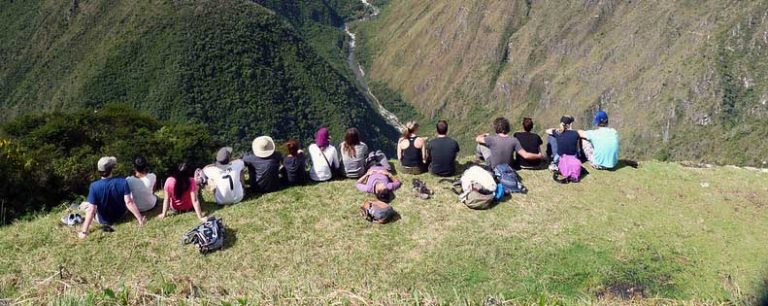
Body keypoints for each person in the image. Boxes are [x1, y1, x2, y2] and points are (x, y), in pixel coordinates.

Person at [78, 156, 145, 239]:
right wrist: (140, 219)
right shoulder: (123, 181)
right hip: (121, 216)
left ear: (99, 171)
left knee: (86, 205)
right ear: (111, 169)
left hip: (103, 220)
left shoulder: (94, 186)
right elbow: (129, 202)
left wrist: (84, 231)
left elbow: (92, 210)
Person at [475, 117, 543, 169]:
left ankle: (479, 159)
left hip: (494, 166)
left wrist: (485, 134)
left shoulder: (491, 138)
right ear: (508, 128)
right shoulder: (514, 140)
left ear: (496, 128)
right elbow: (525, 155)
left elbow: (477, 139)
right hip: (509, 167)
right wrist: (538, 156)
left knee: (480, 144)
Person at [546, 116, 582, 182]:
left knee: (551, 136)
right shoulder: (575, 133)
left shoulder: (558, 132)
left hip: (560, 158)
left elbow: (547, 131)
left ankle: (551, 159)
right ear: (570, 125)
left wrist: (558, 129)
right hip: (573, 158)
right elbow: (577, 147)